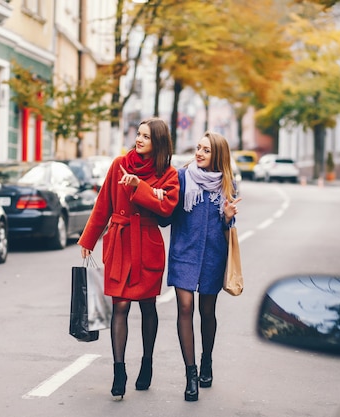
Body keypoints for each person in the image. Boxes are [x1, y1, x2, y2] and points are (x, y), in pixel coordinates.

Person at [78, 117, 179, 400]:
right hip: (120, 243)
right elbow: (103, 205)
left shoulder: (168, 174)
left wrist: (140, 187)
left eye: (146, 136)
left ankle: (147, 363)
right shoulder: (119, 164)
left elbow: (167, 211)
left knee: (148, 306)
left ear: (158, 142)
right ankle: (119, 371)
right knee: (119, 307)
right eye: (138, 134)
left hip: (147, 244)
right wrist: (89, 238)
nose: (139, 139)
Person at [164, 131, 240, 401]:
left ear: (217, 154)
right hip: (184, 252)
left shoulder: (227, 184)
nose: (199, 153)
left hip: (212, 256)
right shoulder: (182, 177)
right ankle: (191, 374)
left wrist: (228, 218)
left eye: (206, 150)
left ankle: (206, 359)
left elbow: (227, 228)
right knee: (185, 308)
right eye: (198, 148)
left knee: (207, 311)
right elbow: (168, 211)